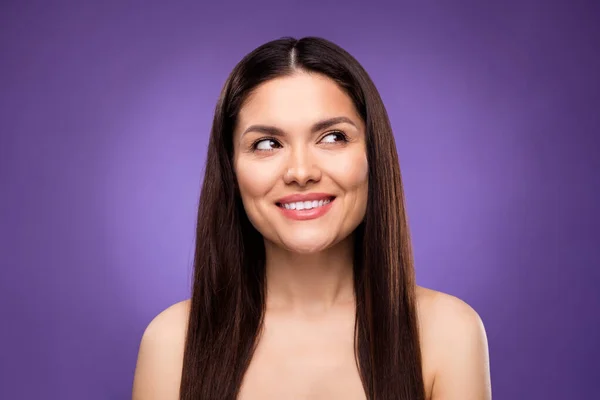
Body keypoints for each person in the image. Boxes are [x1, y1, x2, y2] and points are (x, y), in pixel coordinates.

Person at [132, 36, 491, 400]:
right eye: (267, 144)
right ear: (231, 170)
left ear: (372, 155)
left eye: (333, 137)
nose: (301, 171)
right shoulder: (172, 344)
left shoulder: (446, 334)